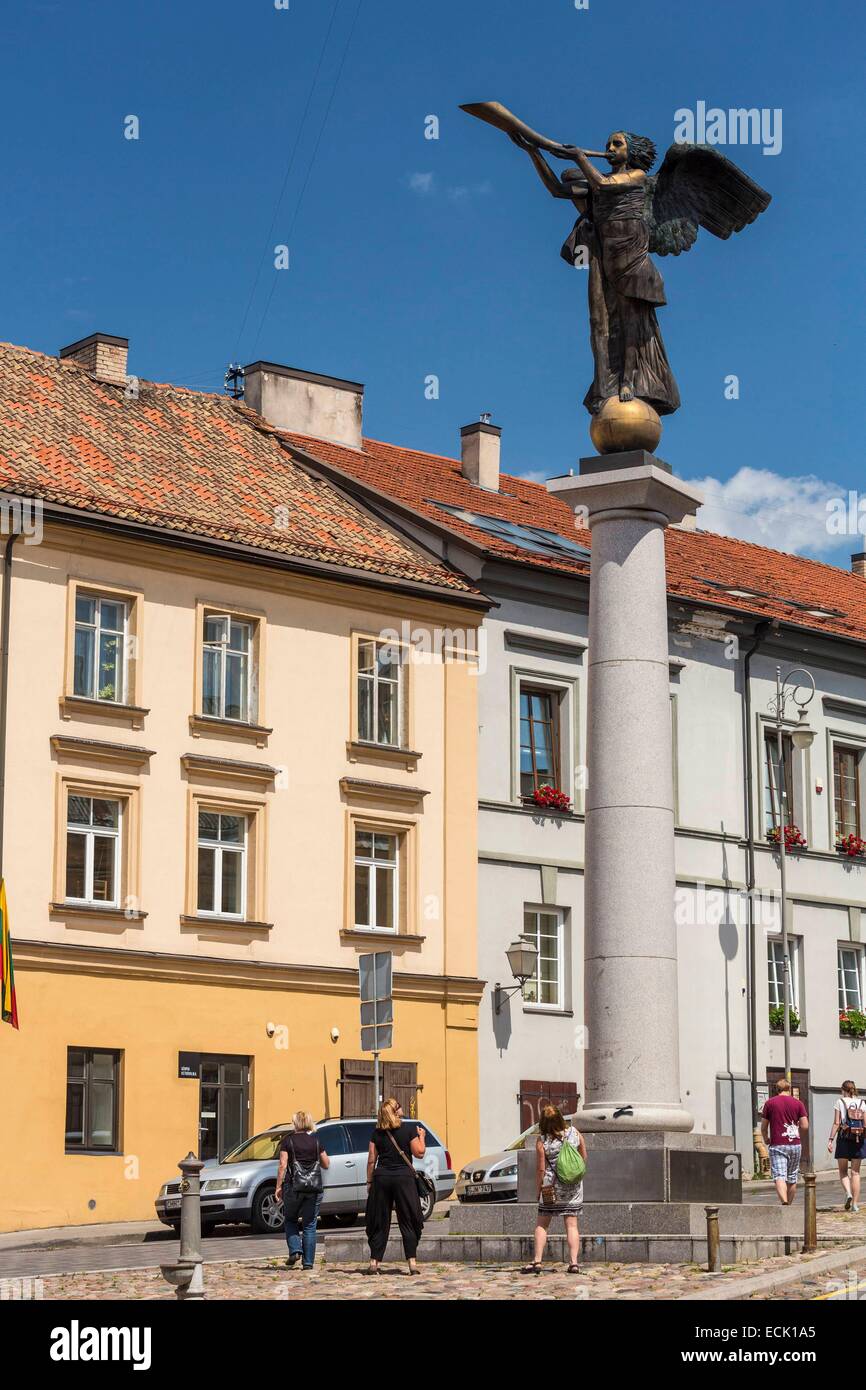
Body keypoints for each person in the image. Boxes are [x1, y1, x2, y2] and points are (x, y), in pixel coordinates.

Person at [522, 1104, 587, 1274]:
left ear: (543, 1122)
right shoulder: (575, 1133)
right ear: (560, 1117)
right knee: (571, 1225)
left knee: (542, 1224)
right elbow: (583, 1157)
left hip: (550, 1187)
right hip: (572, 1187)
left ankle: (537, 1261)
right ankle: (573, 1263)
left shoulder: (542, 1141)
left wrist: (538, 1189)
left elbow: (541, 1169)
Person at [364, 1097, 425, 1275]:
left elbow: (371, 1160)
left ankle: (374, 1262)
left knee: (379, 1220)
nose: (401, 1108)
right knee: (409, 1218)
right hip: (404, 1179)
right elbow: (419, 1153)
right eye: (398, 1106)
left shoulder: (377, 1133)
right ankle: (412, 1263)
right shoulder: (408, 1130)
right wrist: (421, 1136)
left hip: (382, 1178)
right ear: (394, 1111)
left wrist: (369, 1182)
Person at [275, 1110, 330, 1270]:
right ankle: (308, 1263)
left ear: (295, 1123)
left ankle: (295, 1250)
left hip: (293, 1187)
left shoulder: (288, 1141)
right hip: (313, 1188)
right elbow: (326, 1163)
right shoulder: (316, 1141)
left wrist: (278, 1187)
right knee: (310, 1224)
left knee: (290, 1219)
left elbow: (282, 1165)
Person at [760, 1079, 808, 1205]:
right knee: (792, 1177)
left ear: (777, 1089)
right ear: (789, 1088)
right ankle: (789, 1206)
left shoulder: (770, 1103)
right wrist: (798, 1136)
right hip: (795, 1145)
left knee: (780, 1175)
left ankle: (784, 1202)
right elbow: (805, 1125)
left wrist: (766, 1139)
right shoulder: (798, 1104)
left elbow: (764, 1126)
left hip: (778, 1145)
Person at [827, 1080, 865, 1212]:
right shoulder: (861, 1103)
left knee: (843, 1171)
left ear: (843, 1090)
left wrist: (830, 1139)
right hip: (858, 1139)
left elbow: (837, 1123)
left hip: (844, 1138)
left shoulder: (840, 1102)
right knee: (855, 1172)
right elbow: (865, 1124)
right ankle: (855, 1204)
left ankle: (848, 1193)